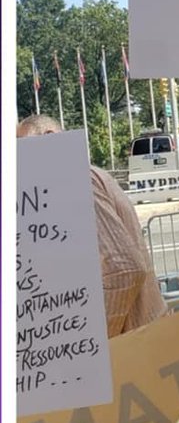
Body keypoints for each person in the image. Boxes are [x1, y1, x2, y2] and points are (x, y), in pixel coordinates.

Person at [17, 114, 168, 338]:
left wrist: (89, 342)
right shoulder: (72, 180)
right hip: (140, 339)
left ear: (50, 138)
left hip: (133, 348)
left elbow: (124, 270)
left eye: (22, 146)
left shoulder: (76, 178)